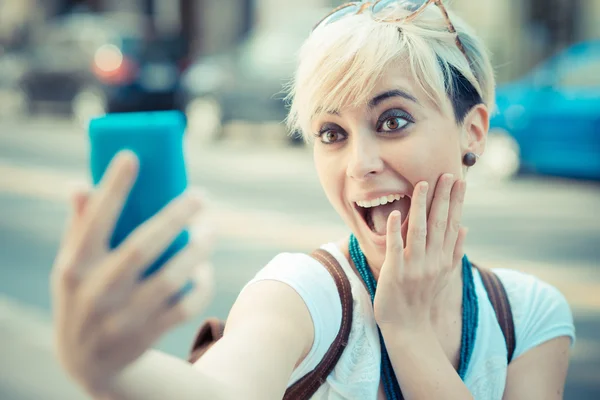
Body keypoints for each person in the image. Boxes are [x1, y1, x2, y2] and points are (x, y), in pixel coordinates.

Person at [50, 1, 576, 399]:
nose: (358, 164)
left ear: (474, 132)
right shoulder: (303, 294)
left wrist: (409, 331)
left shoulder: (527, 316)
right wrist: (108, 367)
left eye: (392, 121)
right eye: (331, 133)